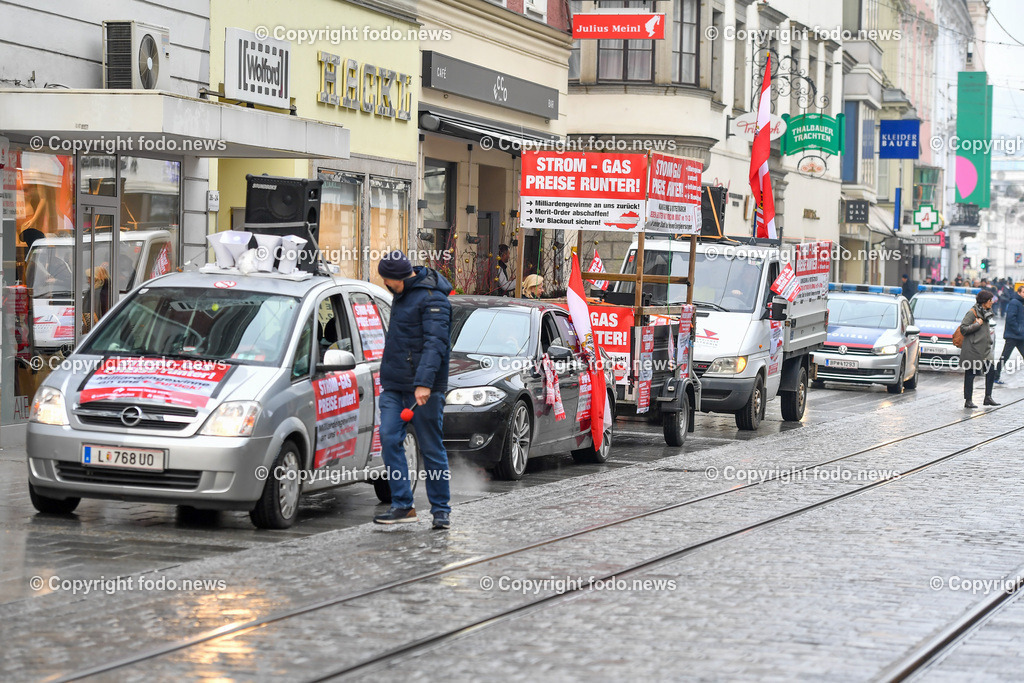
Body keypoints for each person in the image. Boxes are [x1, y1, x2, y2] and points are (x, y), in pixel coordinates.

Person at [374, 250, 454, 529]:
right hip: (395, 386)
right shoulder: (401, 294)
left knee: (431, 448)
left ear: (398, 278)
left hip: (425, 389)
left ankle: (441, 510)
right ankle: (402, 505)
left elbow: (436, 344)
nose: (385, 283)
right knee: (388, 438)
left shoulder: (434, 299)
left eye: (386, 279)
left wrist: (424, 383)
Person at [960, 289, 999, 409]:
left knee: (991, 370)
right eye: (990, 300)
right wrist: (977, 324)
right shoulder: (973, 312)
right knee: (971, 374)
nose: (992, 302)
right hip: (974, 349)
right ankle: (968, 400)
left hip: (986, 349)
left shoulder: (986, 312)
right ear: (984, 302)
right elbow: (963, 328)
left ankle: (988, 397)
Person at [996, 283, 1024, 384]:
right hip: (1013, 336)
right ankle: (995, 376)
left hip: (1019, 336)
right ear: (1019, 292)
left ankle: (995, 376)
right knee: (1005, 356)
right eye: (1023, 292)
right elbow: (1010, 319)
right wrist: (1019, 330)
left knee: (1005, 356)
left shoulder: (1020, 303)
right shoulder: (1015, 302)